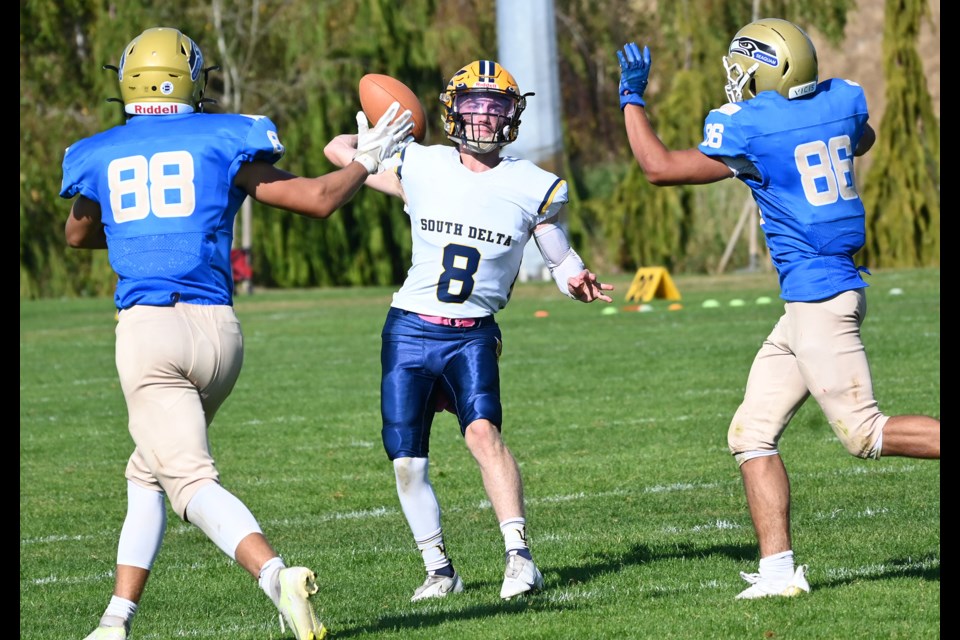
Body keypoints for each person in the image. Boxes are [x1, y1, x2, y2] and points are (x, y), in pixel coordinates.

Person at [61, 27, 413, 640]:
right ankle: (115, 621)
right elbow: (319, 199)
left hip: (149, 332)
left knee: (191, 479)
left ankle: (275, 577)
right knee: (148, 471)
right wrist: (366, 160)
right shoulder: (225, 136)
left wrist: (133, 225)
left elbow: (77, 234)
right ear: (192, 78)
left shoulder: (98, 152)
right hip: (220, 337)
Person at [615, 18, 940, 599]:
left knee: (865, 434)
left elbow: (658, 167)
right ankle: (778, 574)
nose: (736, 81)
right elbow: (859, 138)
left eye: (743, 69)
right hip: (816, 299)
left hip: (819, 299)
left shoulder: (752, 126)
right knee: (752, 432)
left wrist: (632, 97)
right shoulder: (841, 102)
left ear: (764, 70)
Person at [324, 60, 614, 601]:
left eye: (496, 107)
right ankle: (439, 569)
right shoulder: (423, 165)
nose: (483, 118)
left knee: (483, 434)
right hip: (409, 328)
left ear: (513, 115)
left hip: (472, 331)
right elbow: (336, 151)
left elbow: (558, 254)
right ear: (452, 110)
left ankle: (520, 558)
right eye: (473, 106)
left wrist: (575, 277)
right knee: (407, 459)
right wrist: (374, 144)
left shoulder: (534, 184)